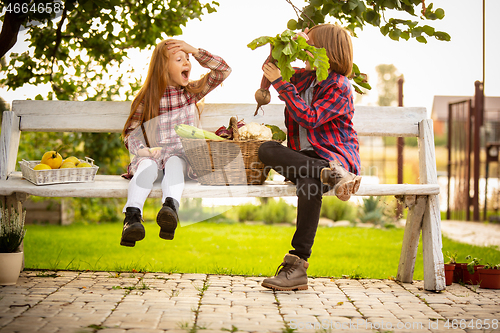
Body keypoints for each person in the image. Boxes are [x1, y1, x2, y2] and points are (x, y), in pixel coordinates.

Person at [258, 24, 361, 291]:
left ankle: (297, 265)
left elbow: (310, 117)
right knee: (267, 149)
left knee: (309, 184)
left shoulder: (339, 85)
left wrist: (282, 83)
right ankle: (331, 174)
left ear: (325, 51)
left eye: (309, 44)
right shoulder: (304, 77)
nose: (304, 49)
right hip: (307, 160)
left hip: (333, 156)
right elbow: (272, 69)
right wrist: (283, 44)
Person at [120, 39, 231, 247]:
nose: (187, 62)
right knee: (146, 165)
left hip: (178, 157)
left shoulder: (190, 93)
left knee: (174, 163)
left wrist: (196, 51)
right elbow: (131, 133)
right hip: (152, 156)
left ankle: (169, 209)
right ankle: (132, 217)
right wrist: (142, 150)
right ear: (163, 67)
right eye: (179, 59)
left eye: (188, 59)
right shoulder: (147, 97)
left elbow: (222, 71)